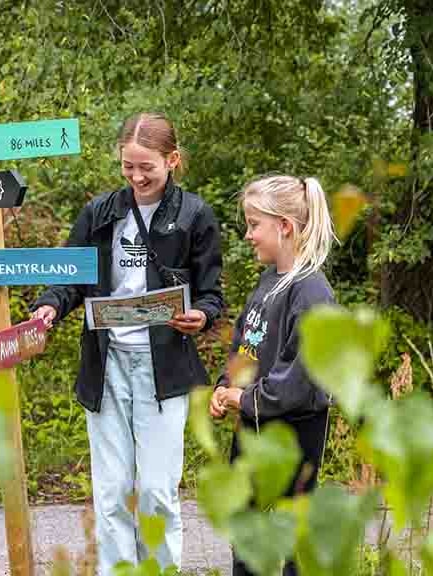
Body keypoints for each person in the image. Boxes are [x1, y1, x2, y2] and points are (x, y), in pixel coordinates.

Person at [31, 113, 224, 575]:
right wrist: (48, 307)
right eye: (127, 167)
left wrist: (202, 316)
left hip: (165, 369)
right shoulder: (99, 213)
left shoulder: (195, 215)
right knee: (112, 490)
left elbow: (211, 293)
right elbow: (70, 279)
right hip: (107, 364)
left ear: (172, 161)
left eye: (148, 168)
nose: (137, 177)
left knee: (157, 491)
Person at [210, 175, 336, 576]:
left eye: (254, 225)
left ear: (285, 226)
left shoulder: (313, 292)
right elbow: (245, 347)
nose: (248, 235)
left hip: (296, 432)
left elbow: (298, 380)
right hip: (253, 429)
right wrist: (225, 386)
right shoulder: (267, 283)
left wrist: (244, 400)